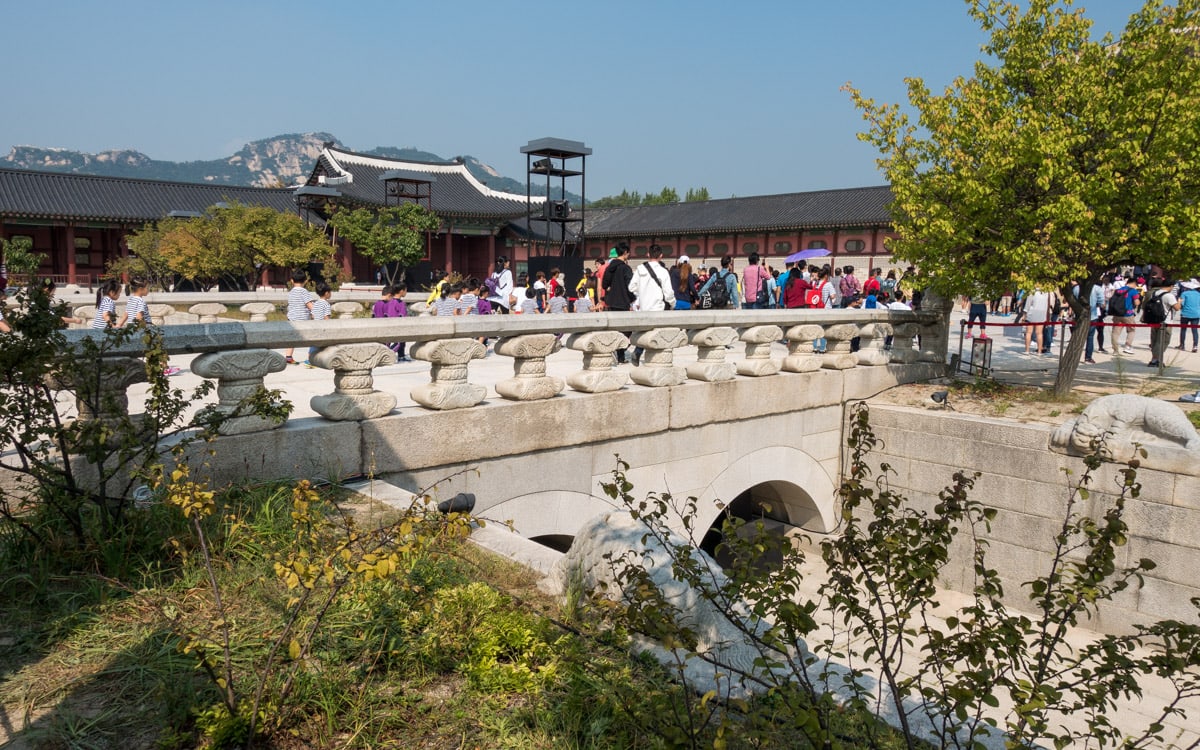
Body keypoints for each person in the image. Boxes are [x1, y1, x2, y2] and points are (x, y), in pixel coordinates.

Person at [628, 245, 675, 366]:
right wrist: (672, 303)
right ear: (661, 256)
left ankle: (638, 351)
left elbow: (631, 287)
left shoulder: (639, 269)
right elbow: (668, 292)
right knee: (657, 333)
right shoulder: (663, 272)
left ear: (648, 255)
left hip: (644, 306)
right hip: (658, 307)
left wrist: (642, 292)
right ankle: (652, 358)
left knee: (645, 332)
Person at [1144, 276, 1180, 368]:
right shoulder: (1169, 295)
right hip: (1165, 321)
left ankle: (1154, 358)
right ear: (1171, 286)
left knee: (1154, 340)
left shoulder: (1154, 293)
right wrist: (1179, 301)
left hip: (1154, 320)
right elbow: (1177, 307)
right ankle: (1156, 360)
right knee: (1163, 341)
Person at [284, 270, 313, 364]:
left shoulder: (291, 292)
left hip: (292, 319)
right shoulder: (304, 292)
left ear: (292, 281)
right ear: (305, 281)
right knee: (312, 338)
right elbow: (309, 305)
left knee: (291, 338)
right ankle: (310, 359)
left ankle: (288, 357)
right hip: (303, 319)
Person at [1109, 276, 1142, 355]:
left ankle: (1115, 350)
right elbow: (1136, 302)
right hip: (1128, 314)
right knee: (1131, 330)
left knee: (1115, 332)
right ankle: (1127, 346)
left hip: (1117, 314)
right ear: (1134, 283)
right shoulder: (1133, 291)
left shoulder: (1118, 290)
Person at [1085, 278, 1107, 364]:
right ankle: (1088, 357)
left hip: (1078, 316)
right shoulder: (1097, 288)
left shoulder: (1076, 288)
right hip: (1092, 315)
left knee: (1077, 336)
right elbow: (1103, 304)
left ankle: (1072, 357)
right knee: (1090, 337)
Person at [1022, 289, 1049, 356]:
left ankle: (1027, 350)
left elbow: (1027, 304)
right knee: (1039, 333)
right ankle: (1039, 351)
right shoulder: (1046, 293)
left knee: (1028, 332)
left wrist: (1024, 314)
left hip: (1032, 313)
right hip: (1042, 314)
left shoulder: (1032, 292)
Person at [1177, 278, 1200, 353]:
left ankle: (1182, 345)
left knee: (1183, 330)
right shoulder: (1198, 294)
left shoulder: (1184, 294)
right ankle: (1195, 346)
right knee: (1195, 330)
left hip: (1185, 314)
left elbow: (1182, 304)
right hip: (1196, 314)